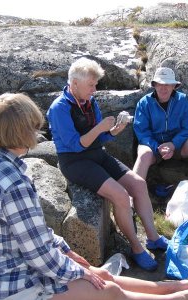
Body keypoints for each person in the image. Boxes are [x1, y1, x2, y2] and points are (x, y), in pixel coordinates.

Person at [0, 92, 188, 300]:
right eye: (33, 127)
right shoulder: (13, 184)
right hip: (15, 288)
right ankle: (181, 297)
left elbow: (32, 235)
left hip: (9, 271)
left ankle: (175, 287)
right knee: (109, 291)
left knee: (102, 274)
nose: (38, 133)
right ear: (21, 133)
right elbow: (39, 256)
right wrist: (80, 272)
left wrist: (66, 251)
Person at [46, 57, 168, 271]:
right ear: (74, 83)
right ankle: (136, 248)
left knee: (138, 184)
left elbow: (99, 139)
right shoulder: (60, 108)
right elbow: (75, 144)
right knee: (120, 195)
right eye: (91, 85)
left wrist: (112, 132)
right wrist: (100, 129)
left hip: (96, 154)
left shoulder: (89, 102)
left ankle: (153, 237)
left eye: (95, 85)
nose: (94, 90)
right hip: (75, 161)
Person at [133, 67, 188, 208]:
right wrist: (157, 148)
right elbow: (141, 132)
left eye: (167, 84)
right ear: (154, 85)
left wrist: (173, 144)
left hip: (178, 146)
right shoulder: (144, 103)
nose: (163, 88)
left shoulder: (182, 100)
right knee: (143, 154)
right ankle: (132, 201)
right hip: (154, 148)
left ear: (174, 86)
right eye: (160, 84)